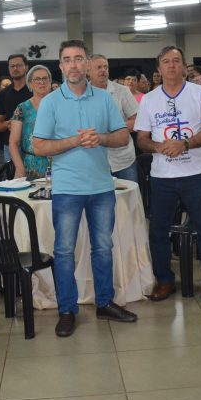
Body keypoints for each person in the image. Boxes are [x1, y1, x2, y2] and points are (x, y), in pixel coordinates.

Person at [32, 40, 137, 337]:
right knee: (64, 251)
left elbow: (122, 138)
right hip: (66, 188)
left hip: (102, 186)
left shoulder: (104, 99)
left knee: (103, 248)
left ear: (88, 64)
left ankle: (105, 302)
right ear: (61, 66)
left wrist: (100, 139)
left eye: (79, 59)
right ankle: (67, 310)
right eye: (67, 60)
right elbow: (38, 146)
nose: (74, 65)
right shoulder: (51, 102)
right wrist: (74, 141)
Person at [136, 45, 201, 305]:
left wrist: (184, 144)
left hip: (195, 173)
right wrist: (157, 146)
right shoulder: (150, 99)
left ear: (184, 66)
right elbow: (141, 138)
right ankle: (164, 280)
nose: (172, 66)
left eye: (177, 61)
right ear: (159, 69)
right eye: (166, 61)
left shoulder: (199, 94)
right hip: (162, 176)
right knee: (158, 231)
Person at [88, 54, 140, 181]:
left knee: (129, 199)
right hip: (94, 161)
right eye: (98, 67)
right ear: (88, 71)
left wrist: (116, 128)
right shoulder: (81, 94)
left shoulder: (122, 91)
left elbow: (138, 120)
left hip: (123, 160)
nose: (103, 71)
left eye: (105, 67)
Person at [0, 54, 32, 179]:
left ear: (26, 67)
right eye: (12, 66)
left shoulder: (34, 90)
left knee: (35, 179)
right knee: (13, 180)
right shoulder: (4, 93)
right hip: (11, 145)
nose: (15, 68)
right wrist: (7, 124)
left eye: (19, 65)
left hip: (33, 143)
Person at [10, 65, 53, 179]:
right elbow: (14, 142)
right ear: (30, 83)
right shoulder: (22, 108)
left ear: (50, 82)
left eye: (45, 78)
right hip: (30, 166)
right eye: (37, 79)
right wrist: (19, 168)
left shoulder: (60, 106)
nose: (41, 82)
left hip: (58, 165)